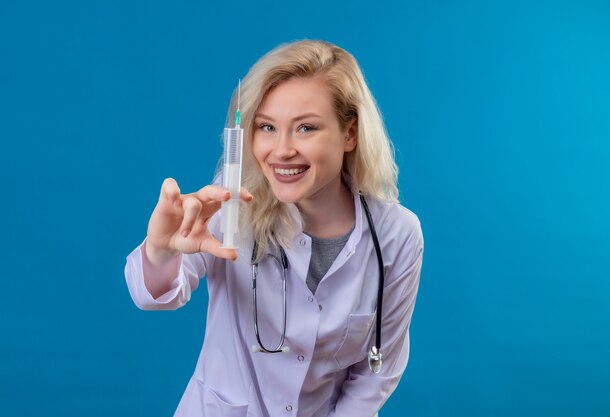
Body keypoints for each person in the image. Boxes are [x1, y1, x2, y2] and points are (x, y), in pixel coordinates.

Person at [124, 39, 424, 417]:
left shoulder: (396, 235)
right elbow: (153, 295)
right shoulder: (230, 206)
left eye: (306, 128)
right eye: (267, 127)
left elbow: (376, 374)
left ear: (350, 133)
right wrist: (160, 249)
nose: (281, 150)